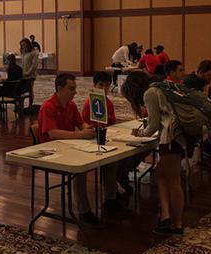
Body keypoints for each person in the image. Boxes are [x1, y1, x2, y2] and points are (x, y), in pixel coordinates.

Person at [38, 73, 108, 225]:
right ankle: (84, 212)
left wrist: (89, 129)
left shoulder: (71, 105)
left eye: (75, 88)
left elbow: (81, 124)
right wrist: (80, 134)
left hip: (69, 147)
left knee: (107, 159)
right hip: (52, 152)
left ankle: (111, 199)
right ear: (59, 88)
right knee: (79, 169)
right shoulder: (48, 107)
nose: (75, 92)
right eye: (71, 89)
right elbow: (53, 133)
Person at [122, 70, 185, 235]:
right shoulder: (163, 85)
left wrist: (139, 134)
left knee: (173, 180)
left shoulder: (150, 93)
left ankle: (176, 224)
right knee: (161, 175)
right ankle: (165, 217)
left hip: (172, 137)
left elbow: (153, 126)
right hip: (181, 135)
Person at [82, 71, 140, 199]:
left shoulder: (108, 102)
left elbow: (112, 122)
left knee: (131, 151)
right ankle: (114, 181)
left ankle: (119, 176)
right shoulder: (90, 103)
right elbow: (87, 125)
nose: (104, 88)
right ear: (94, 85)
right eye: (101, 85)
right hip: (93, 138)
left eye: (107, 85)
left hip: (108, 135)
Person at [20, 38, 39, 109]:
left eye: (24, 44)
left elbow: (34, 65)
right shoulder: (23, 53)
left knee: (30, 90)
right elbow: (22, 64)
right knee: (21, 90)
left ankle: (30, 105)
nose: (23, 46)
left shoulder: (33, 53)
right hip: (23, 74)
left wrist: (28, 73)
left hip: (31, 75)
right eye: (22, 45)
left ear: (28, 44)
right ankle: (21, 106)